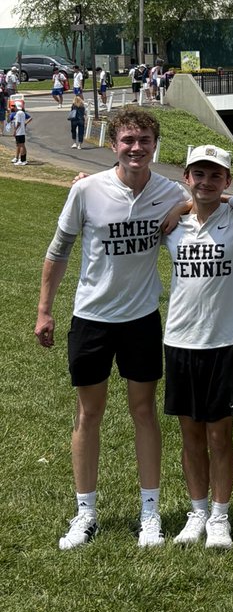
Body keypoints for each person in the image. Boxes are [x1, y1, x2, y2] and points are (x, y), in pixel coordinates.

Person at [34, 106, 188, 549]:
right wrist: (45, 310)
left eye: (143, 140)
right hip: (91, 319)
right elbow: (58, 251)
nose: (136, 148)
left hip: (140, 319)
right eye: (127, 140)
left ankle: (150, 513)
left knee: (144, 412)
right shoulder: (87, 192)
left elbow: (211, 197)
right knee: (89, 413)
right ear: (113, 144)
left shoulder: (170, 191)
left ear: (155, 145)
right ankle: (85, 513)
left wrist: (187, 205)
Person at [164, 145, 233, 551]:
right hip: (180, 340)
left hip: (228, 341)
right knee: (190, 434)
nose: (206, 182)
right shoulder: (173, 224)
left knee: (220, 436)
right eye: (199, 174)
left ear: (227, 181)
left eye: (216, 175)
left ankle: (220, 515)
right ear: (187, 177)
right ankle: (197, 511)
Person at [11, 100, 32, 164]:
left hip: (19, 132)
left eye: (14, 106)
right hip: (21, 131)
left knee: (21, 145)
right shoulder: (22, 112)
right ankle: (23, 159)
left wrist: (14, 131)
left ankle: (22, 160)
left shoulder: (18, 113)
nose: (14, 107)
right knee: (22, 145)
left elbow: (18, 123)